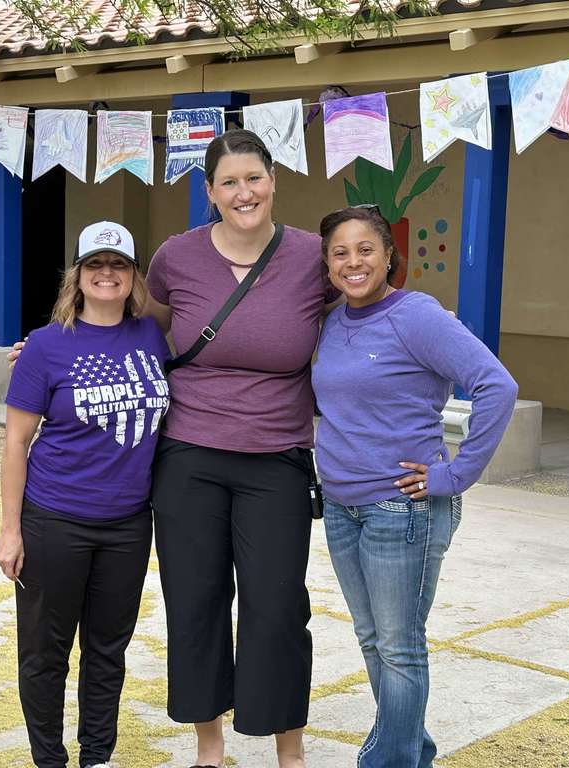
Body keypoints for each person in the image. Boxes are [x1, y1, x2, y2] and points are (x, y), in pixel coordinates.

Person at [146, 129, 339, 768]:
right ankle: (209, 746)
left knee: (278, 603)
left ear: (273, 180)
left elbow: (363, 305)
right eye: (228, 182)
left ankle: (289, 748)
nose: (243, 192)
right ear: (209, 192)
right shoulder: (176, 256)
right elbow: (137, 327)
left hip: (278, 455)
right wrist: (51, 345)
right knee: (195, 598)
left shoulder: (313, 255)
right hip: (189, 453)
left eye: (253, 178)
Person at [311, 204, 518, 768]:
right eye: (340, 252)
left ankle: (389, 760)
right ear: (327, 264)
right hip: (340, 505)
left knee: (400, 648)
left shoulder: (417, 315)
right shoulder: (331, 321)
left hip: (400, 510)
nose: (353, 262)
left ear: (388, 255)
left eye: (365, 249)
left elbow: (496, 385)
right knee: (374, 641)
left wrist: (456, 474)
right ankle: (411, 752)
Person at [0, 221, 170, 768]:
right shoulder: (45, 347)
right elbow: (16, 443)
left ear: (133, 275)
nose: (107, 274)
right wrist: (9, 529)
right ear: (77, 276)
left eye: (118, 265)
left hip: (127, 524)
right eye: (95, 264)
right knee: (46, 655)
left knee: (107, 651)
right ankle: (49, 760)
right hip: (55, 521)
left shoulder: (151, 336)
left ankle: (98, 756)